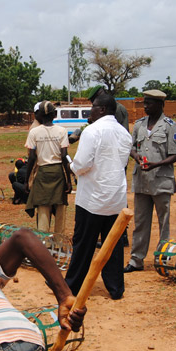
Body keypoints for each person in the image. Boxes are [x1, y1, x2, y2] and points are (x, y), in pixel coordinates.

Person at [64, 92, 133, 300]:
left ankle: (73, 286)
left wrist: (70, 164)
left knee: (83, 244)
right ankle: (115, 287)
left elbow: (82, 165)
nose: (90, 110)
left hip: (92, 200)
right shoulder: (124, 133)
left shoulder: (92, 131)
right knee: (113, 245)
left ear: (102, 109)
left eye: (92, 107)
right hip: (116, 198)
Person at [124, 89, 176, 273]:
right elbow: (131, 147)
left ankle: (162, 256)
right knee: (141, 221)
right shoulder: (139, 125)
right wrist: (137, 158)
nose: (145, 106)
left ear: (160, 104)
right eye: (145, 103)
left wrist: (156, 164)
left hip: (161, 180)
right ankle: (136, 259)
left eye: (149, 103)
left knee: (163, 220)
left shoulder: (170, 126)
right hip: (142, 179)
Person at [24, 100, 71, 234]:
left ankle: (43, 242)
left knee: (43, 207)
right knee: (61, 207)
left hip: (42, 172)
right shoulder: (62, 131)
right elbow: (64, 157)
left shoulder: (34, 132)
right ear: (54, 115)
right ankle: (59, 241)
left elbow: (32, 158)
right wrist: (68, 179)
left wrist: (27, 180)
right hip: (58, 172)